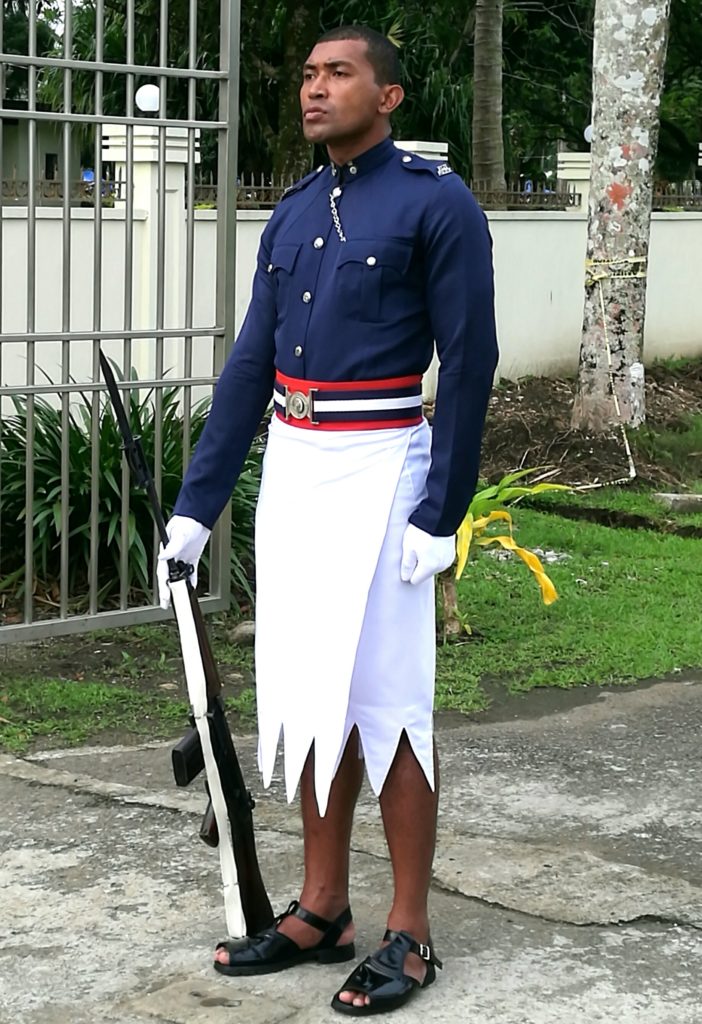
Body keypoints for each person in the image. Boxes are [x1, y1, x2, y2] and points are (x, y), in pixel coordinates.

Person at [158, 24, 498, 1017]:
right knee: (310, 692)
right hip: (297, 469)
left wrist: (443, 510)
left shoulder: (439, 206)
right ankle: (321, 908)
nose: (313, 88)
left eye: (336, 73)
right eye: (306, 73)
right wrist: (197, 505)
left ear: (387, 96)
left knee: (389, 704)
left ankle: (410, 932)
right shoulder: (297, 211)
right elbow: (249, 369)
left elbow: (469, 366)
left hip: (385, 464)